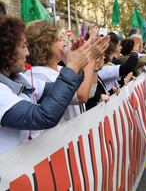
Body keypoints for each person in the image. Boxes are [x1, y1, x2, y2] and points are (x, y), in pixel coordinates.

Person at [0, 16, 90, 154]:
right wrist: (72, 68)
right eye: (23, 46)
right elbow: (42, 117)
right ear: (7, 51)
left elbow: (68, 94)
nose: (27, 53)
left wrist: (76, 66)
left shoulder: (19, 78)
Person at [24, 20, 108, 129]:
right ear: (44, 45)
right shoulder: (36, 74)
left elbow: (90, 91)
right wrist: (90, 57)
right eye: (59, 39)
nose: (64, 43)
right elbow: (81, 96)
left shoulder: (61, 68)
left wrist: (91, 63)